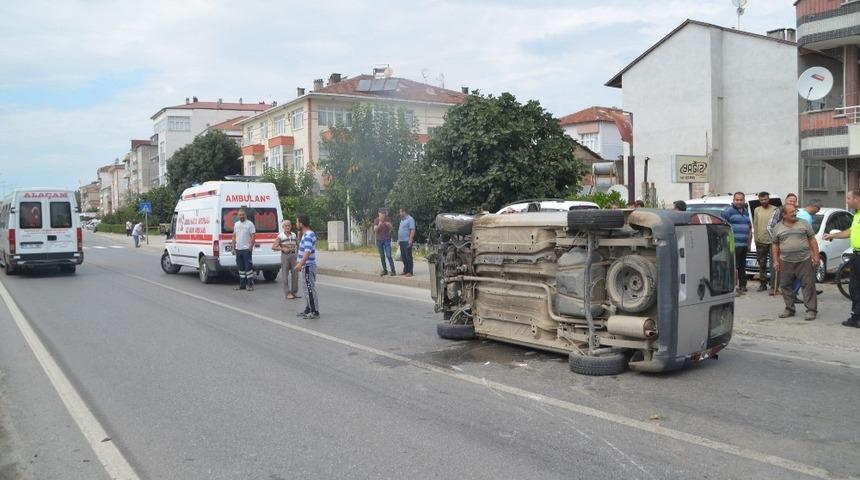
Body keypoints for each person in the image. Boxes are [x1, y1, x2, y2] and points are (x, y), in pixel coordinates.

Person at [772, 204, 819, 321]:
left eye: (795, 211)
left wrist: (816, 256)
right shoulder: (777, 227)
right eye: (791, 212)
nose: (794, 213)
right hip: (785, 261)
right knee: (785, 285)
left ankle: (811, 310)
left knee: (808, 285)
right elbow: (775, 245)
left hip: (804, 260)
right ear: (783, 215)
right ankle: (789, 309)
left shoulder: (804, 223)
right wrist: (776, 260)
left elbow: (812, 240)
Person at [823, 189, 860, 328]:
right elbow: (850, 232)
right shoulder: (856, 215)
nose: (847, 201)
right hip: (856, 256)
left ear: (857, 199)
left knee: (856, 287)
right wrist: (833, 236)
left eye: (849, 198)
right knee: (854, 287)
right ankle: (856, 317)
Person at [720, 192, 752, 294]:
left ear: (744, 200)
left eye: (741, 200)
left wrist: (749, 243)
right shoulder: (728, 211)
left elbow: (749, 227)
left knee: (742, 266)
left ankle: (742, 286)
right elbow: (722, 227)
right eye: (737, 200)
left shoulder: (746, 211)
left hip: (743, 245)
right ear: (733, 200)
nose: (739, 202)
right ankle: (732, 287)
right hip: (732, 244)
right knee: (733, 266)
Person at [294, 214, 319, 319]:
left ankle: (314, 311)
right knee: (306, 289)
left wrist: (300, 263)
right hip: (306, 266)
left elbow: (307, 251)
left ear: (301, 223)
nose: (296, 224)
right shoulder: (305, 234)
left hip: (308, 266)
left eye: (297, 222)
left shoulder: (308, 235)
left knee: (309, 289)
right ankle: (308, 308)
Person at [753, 191, 777, 292]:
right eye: (761, 200)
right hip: (760, 241)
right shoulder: (757, 210)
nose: (763, 201)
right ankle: (763, 284)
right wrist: (756, 239)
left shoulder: (775, 209)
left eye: (765, 199)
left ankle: (773, 286)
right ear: (759, 200)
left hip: (773, 241)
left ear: (769, 199)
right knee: (761, 264)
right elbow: (755, 225)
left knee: (774, 264)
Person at [272, 219, 299, 299]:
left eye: (289, 225)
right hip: (285, 256)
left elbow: (299, 244)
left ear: (291, 226)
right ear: (283, 227)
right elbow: (273, 247)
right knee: (285, 275)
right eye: (286, 226)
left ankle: (294, 292)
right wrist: (282, 249)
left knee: (295, 274)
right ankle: (287, 293)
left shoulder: (294, 235)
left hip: (294, 256)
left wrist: (299, 252)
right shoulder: (281, 236)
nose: (287, 227)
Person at [231, 207, 256, 291]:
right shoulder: (236, 224)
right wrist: (233, 248)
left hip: (246, 249)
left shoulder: (250, 224)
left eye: (243, 215)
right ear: (238, 216)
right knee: (240, 268)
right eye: (240, 215)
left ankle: (250, 285)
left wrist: (250, 247)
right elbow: (234, 236)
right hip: (238, 249)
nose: (241, 216)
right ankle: (242, 285)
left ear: (245, 215)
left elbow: (253, 236)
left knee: (248, 267)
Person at [373, 211, 396, 276]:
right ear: (379, 214)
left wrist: (389, 225)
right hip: (379, 240)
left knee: (389, 255)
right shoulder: (376, 220)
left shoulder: (387, 219)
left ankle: (393, 271)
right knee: (382, 256)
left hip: (387, 239)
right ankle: (385, 270)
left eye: (383, 217)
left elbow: (391, 228)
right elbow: (375, 230)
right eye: (381, 217)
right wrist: (379, 225)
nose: (382, 218)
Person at [398, 208, 416, 277]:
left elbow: (412, 230)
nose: (400, 214)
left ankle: (410, 272)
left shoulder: (410, 219)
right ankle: (405, 270)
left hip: (407, 241)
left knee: (408, 257)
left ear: (404, 212)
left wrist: (410, 240)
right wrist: (399, 240)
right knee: (403, 257)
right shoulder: (402, 220)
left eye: (400, 212)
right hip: (401, 241)